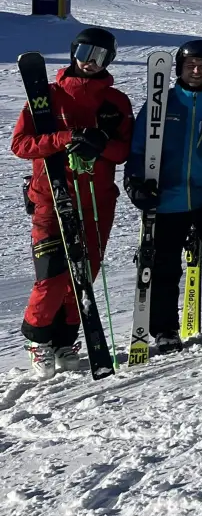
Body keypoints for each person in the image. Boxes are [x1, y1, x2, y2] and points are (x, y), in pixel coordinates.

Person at [11, 28, 132, 377]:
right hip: (52, 198)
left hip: (96, 200)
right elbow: (21, 145)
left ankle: (65, 339)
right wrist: (66, 137)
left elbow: (123, 151)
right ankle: (39, 339)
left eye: (99, 56)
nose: (89, 61)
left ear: (109, 60)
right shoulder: (47, 96)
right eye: (84, 52)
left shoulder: (116, 102)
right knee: (52, 274)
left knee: (83, 274)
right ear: (72, 52)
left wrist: (100, 144)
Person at [126, 40, 202, 347]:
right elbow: (139, 147)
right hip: (166, 199)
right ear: (179, 69)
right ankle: (165, 330)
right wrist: (135, 181)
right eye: (190, 65)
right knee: (163, 266)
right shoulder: (160, 104)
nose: (196, 71)